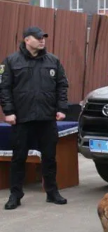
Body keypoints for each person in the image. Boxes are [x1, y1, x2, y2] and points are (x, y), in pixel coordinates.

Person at [0, 27, 69, 210]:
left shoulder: (52, 61)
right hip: (22, 118)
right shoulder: (11, 61)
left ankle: (52, 192)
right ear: (26, 40)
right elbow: (4, 88)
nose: (42, 40)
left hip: (46, 117)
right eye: (38, 38)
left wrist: (62, 108)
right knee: (18, 158)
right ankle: (15, 194)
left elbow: (62, 85)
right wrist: (8, 111)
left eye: (43, 38)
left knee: (49, 157)